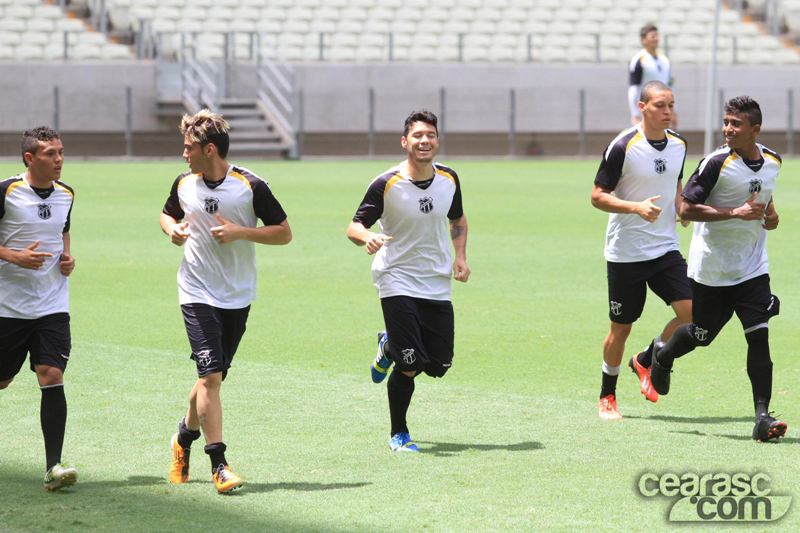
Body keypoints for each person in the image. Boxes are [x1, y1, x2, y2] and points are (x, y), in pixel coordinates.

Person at [160, 109, 291, 492]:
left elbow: (283, 233)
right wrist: (174, 230)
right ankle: (219, 464)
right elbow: (167, 215)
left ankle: (182, 439)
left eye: (189, 148)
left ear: (210, 149)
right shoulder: (184, 183)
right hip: (195, 291)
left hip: (236, 295)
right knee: (210, 376)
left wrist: (241, 232)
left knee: (210, 380)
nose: (184, 154)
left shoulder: (250, 186)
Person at [650, 96, 786, 442]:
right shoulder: (716, 163)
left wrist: (770, 215)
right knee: (702, 334)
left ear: (754, 129)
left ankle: (762, 417)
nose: (728, 129)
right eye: (726, 122)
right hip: (712, 267)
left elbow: (765, 198)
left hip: (752, 266)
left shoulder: (773, 162)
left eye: (736, 124)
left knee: (759, 335)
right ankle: (662, 355)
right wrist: (734, 213)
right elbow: (685, 209)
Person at [346, 109, 470, 452]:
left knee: (440, 365)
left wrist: (460, 256)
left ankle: (389, 345)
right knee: (410, 363)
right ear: (405, 142)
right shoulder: (386, 182)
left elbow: (457, 219)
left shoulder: (449, 178)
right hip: (395, 276)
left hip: (436, 279)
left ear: (437, 140)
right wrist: (366, 237)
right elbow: (353, 226)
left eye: (430, 135)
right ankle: (398, 433)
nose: (424, 140)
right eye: (417, 135)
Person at [591, 80, 692, 419]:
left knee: (692, 312)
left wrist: (680, 206)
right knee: (621, 328)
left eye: (671, 105)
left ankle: (647, 358)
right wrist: (636, 207)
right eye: (660, 105)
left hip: (664, 249)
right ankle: (607, 395)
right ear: (642, 107)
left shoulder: (679, 144)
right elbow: (597, 196)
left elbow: (675, 180)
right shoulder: (623, 145)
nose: (668, 112)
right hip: (627, 253)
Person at [0, 127, 78, 491]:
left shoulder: (67, 194)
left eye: (60, 152)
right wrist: (12, 255)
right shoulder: (6, 191)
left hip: (51, 304)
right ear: (30, 158)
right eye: (50, 153)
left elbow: (62, 231)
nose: (59, 159)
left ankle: (53, 466)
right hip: (8, 307)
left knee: (51, 374)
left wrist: (67, 258)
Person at [628, 23, 676, 128]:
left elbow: (670, 85)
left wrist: (674, 110)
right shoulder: (638, 60)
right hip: (648, 110)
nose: (656, 38)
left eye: (657, 36)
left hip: (664, 110)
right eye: (653, 36)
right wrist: (635, 114)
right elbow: (634, 89)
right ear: (644, 40)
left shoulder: (665, 60)